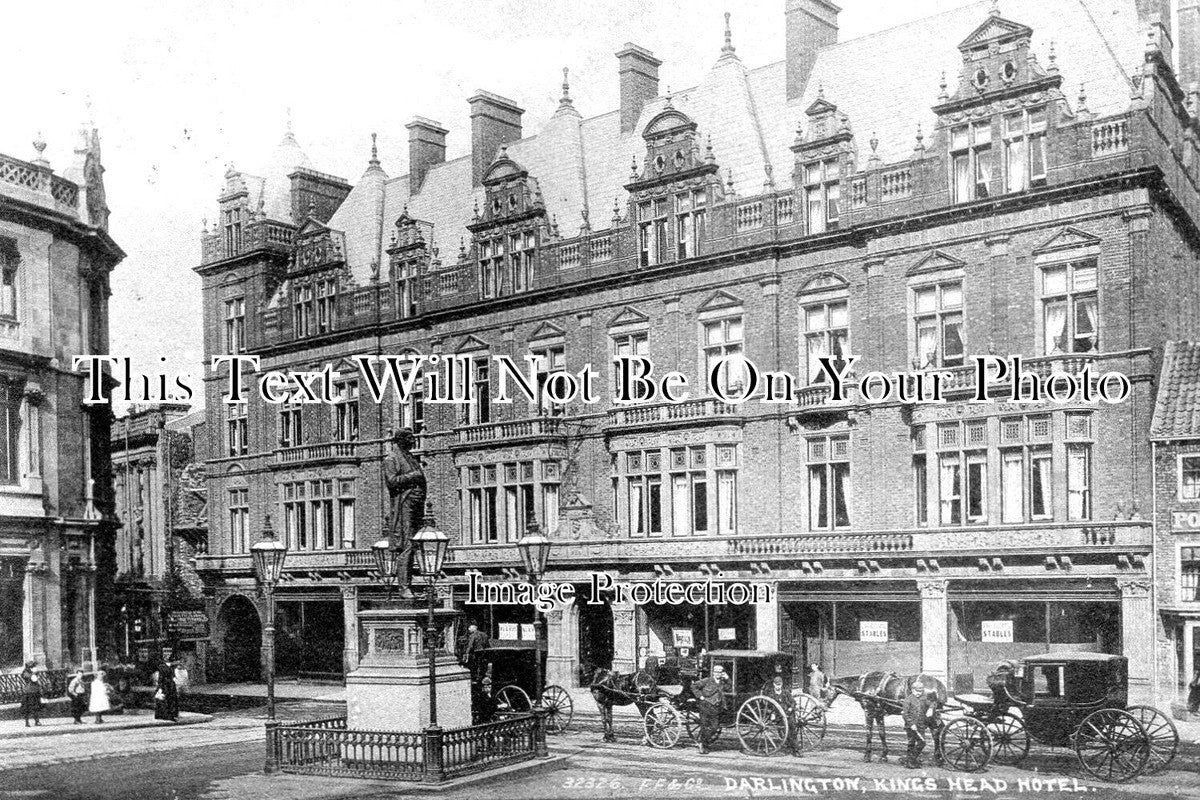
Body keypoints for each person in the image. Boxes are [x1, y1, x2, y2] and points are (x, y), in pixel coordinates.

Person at [382, 428, 426, 598]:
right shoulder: (391, 459)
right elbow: (392, 482)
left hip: (416, 505)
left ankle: (408, 584)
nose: (413, 440)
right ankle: (403, 587)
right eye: (410, 438)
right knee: (406, 546)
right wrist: (413, 476)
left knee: (413, 545)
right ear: (401, 440)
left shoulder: (411, 457)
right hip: (404, 505)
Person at [692, 664, 729, 754]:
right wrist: (700, 696)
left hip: (716, 707)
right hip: (705, 706)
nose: (718, 674)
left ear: (722, 673)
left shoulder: (722, 683)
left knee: (714, 727)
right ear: (713, 672)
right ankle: (703, 745)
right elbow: (694, 686)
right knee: (705, 726)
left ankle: (704, 742)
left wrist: (727, 678)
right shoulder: (707, 681)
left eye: (720, 672)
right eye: (716, 672)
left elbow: (729, 687)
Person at [902, 683, 938, 769]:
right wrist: (911, 724)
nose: (919, 693)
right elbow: (905, 714)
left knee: (922, 743)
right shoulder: (908, 700)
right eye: (917, 691)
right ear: (912, 690)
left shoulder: (924, 698)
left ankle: (911, 760)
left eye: (921, 691)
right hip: (911, 727)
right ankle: (910, 762)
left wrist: (930, 708)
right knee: (911, 743)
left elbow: (933, 702)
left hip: (921, 725)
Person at [764, 673, 799, 756]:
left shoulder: (786, 693)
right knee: (786, 731)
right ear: (773, 684)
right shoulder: (771, 695)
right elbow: (768, 706)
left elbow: (793, 702)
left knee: (792, 730)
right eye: (776, 685)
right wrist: (771, 713)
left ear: (782, 684)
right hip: (778, 716)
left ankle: (795, 749)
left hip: (788, 714)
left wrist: (791, 708)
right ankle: (792, 747)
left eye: (779, 685)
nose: (778, 686)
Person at [19, 661, 42, 727]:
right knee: (28, 708)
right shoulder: (27, 673)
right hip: (29, 693)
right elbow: (34, 679)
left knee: (35, 707)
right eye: (33, 666)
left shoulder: (30, 673)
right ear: (30, 668)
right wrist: (34, 673)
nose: (35, 667)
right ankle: (27, 722)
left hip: (34, 692)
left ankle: (36, 721)